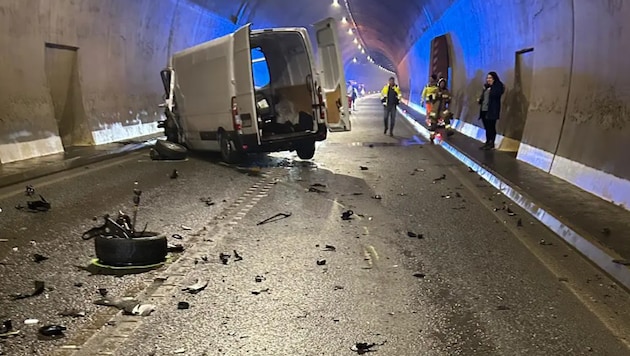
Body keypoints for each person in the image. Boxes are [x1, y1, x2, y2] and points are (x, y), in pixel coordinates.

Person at [477, 71, 505, 150]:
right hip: (484, 110)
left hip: (492, 110)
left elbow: (496, 95)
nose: (488, 80)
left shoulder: (497, 86)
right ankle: (487, 141)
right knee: (487, 127)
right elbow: (484, 97)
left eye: (490, 78)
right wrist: (480, 100)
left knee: (491, 127)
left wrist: (491, 88)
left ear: (494, 79)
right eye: (487, 78)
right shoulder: (486, 87)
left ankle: (492, 143)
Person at [428, 78, 455, 143]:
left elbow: (449, 99)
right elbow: (431, 98)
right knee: (433, 124)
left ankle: (449, 131)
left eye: (443, 83)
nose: (442, 85)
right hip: (435, 110)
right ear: (439, 84)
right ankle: (432, 136)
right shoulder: (436, 90)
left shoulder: (446, 91)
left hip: (442, 109)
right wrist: (436, 96)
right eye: (441, 83)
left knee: (447, 117)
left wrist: (446, 98)